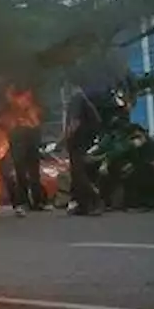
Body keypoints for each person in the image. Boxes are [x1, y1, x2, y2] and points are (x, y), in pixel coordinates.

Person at [64, 83, 105, 216]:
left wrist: (62, 140)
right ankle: (82, 205)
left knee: (79, 174)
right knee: (77, 175)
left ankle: (95, 199)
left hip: (79, 143)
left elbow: (75, 123)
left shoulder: (77, 98)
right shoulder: (84, 100)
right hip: (84, 142)